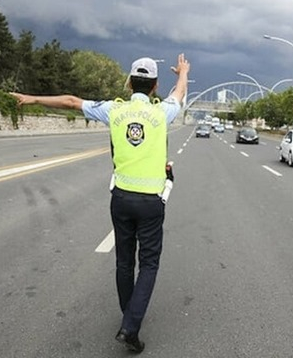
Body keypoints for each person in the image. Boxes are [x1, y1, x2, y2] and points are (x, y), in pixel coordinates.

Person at [10, 54, 190, 353]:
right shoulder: (163, 113)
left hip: (120, 199)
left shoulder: (113, 110)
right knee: (148, 263)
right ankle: (130, 325)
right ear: (155, 86)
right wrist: (183, 72)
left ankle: (128, 317)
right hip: (150, 203)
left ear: (129, 82)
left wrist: (29, 99)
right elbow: (179, 92)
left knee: (123, 261)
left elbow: (70, 101)